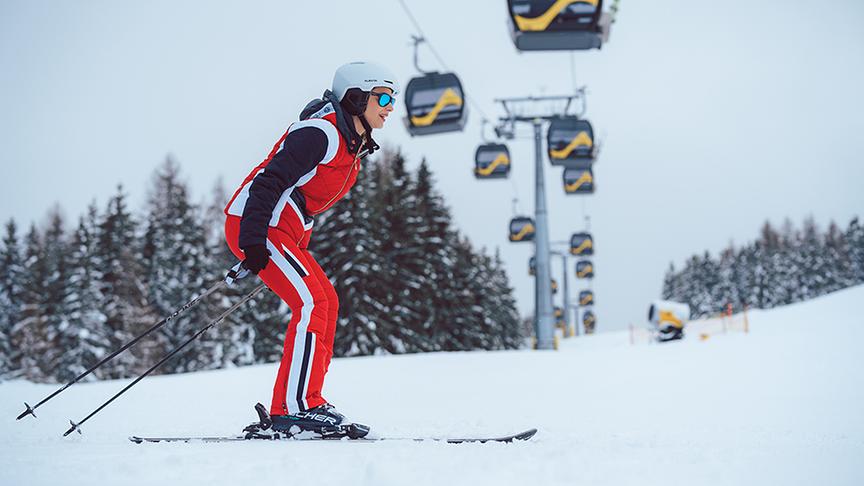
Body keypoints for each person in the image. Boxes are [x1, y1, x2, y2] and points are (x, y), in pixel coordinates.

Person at [223, 62, 398, 438]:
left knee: (326, 301)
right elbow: (270, 182)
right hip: (258, 224)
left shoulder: (351, 147)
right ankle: (295, 408)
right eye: (382, 96)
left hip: (281, 229)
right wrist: (253, 242)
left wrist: (292, 251)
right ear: (356, 98)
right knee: (313, 303)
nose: (390, 106)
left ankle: (306, 401)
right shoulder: (319, 134)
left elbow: (302, 203)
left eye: (392, 99)